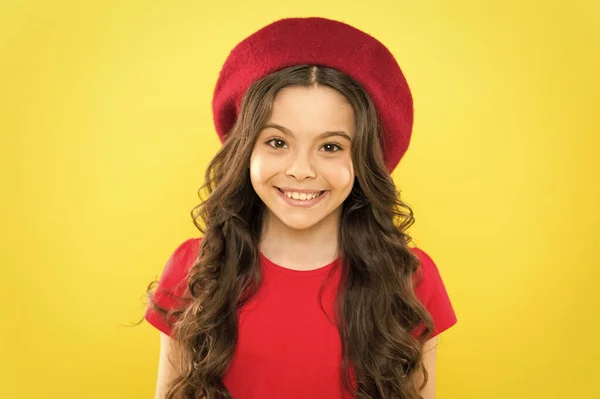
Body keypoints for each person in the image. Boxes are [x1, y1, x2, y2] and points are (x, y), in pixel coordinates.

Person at [144, 16, 457, 399]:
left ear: (363, 160)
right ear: (245, 150)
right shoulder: (194, 271)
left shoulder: (410, 280)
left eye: (331, 147)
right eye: (277, 142)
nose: (301, 171)